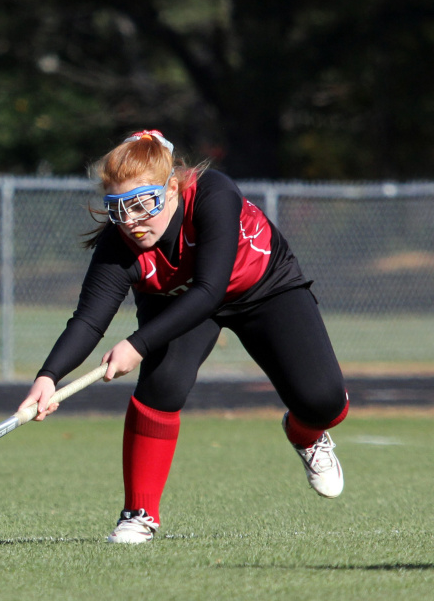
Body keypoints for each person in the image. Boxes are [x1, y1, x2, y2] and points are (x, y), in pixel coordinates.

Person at [18, 130, 348, 544]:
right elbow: (87, 321)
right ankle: (138, 514)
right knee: (162, 383)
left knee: (325, 403)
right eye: (120, 209)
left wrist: (136, 345)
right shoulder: (118, 243)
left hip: (262, 286)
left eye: (143, 204)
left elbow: (210, 290)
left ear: (172, 188)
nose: (133, 222)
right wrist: (48, 377)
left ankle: (306, 433)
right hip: (176, 300)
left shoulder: (214, 194)